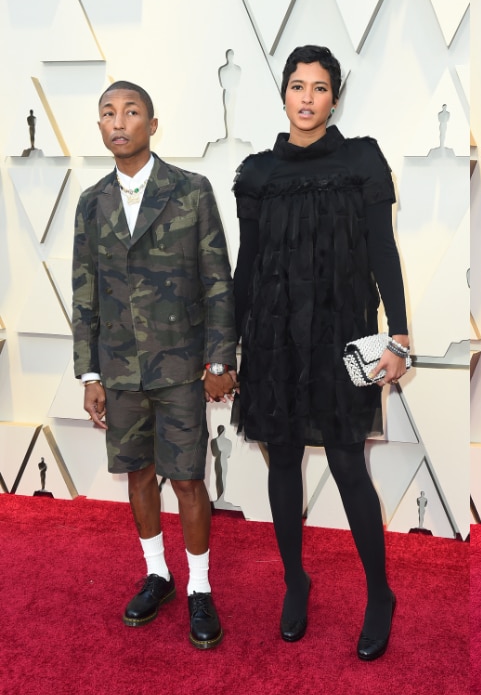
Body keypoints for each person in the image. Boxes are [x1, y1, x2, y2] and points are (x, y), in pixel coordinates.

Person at [232, 45, 410, 661]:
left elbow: (383, 250)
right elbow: (245, 266)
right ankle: (295, 583)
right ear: (282, 93)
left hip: (341, 335)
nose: (307, 98)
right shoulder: (257, 174)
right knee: (282, 459)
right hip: (274, 335)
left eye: (320, 88)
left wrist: (401, 334)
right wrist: (226, 348)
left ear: (336, 97)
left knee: (347, 463)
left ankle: (380, 594)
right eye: (297, 86)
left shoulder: (361, 160)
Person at [72, 80, 238, 650]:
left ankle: (199, 587)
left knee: (189, 478)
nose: (119, 121)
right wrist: (89, 373)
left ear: (152, 123)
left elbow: (218, 280)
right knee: (139, 474)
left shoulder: (191, 191)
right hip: (119, 370)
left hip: (181, 366)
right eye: (108, 113)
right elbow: (85, 292)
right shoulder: (91, 202)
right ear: (100, 127)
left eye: (131, 111)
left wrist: (221, 357)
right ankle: (158, 575)